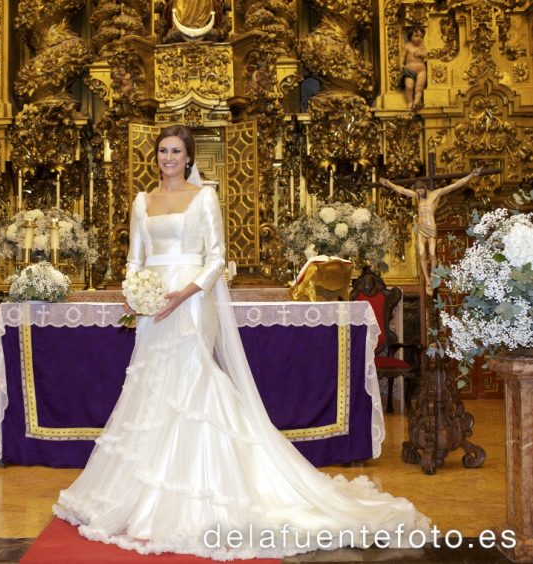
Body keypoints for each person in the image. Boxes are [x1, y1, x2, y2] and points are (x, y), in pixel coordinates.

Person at [53, 125, 429, 559]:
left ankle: (198, 490)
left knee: (193, 379)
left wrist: (185, 291)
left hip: (192, 303)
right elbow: (135, 257)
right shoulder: (142, 201)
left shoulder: (204, 198)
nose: (169, 157)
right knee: (152, 384)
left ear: (189, 157)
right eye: (162, 151)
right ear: (154, 156)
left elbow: (216, 257)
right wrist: (137, 291)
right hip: (154, 305)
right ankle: (146, 491)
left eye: (176, 151)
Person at [380, 167, 482, 295]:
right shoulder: (417, 196)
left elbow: (455, 185)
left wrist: (471, 174)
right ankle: (427, 280)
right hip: (421, 227)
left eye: (420, 191)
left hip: (431, 227)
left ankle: (433, 276)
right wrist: (389, 183)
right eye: (417, 191)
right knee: (422, 253)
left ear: (425, 187)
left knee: (432, 253)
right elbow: (401, 190)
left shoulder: (436, 194)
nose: (419, 193)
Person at [400, 27, 427, 110]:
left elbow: (426, 54)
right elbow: (402, 56)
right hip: (409, 70)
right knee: (409, 86)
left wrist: (421, 54)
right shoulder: (407, 46)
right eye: (416, 36)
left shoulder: (422, 46)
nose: (419, 38)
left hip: (421, 70)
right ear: (410, 37)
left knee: (419, 88)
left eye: (421, 36)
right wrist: (401, 64)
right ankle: (409, 101)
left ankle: (416, 102)